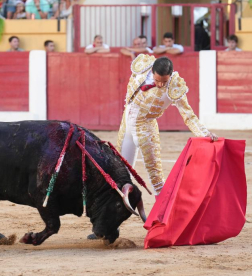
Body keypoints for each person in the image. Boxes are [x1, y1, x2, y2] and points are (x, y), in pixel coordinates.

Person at [87, 55, 218, 240]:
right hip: (126, 125)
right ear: (151, 72)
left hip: (146, 129)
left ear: (170, 76)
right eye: (157, 80)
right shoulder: (142, 66)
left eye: (163, 82)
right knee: (118, 176)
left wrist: (204, 134)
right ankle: (106, 227)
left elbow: (188, 115)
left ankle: (165, 225)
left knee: (156, 179)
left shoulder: (174, 86)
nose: (159, 85)